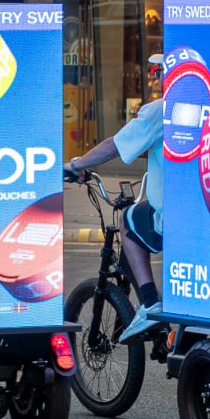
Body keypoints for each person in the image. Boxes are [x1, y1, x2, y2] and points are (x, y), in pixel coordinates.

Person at [64, 54, 165, 345]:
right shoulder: (208, 104)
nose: (154, 77)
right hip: (208, 212)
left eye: (158, 70)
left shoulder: (159, 110)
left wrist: (77, 165)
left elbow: (114, 146)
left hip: (174, 216)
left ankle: (149, 302)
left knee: (129, 220)